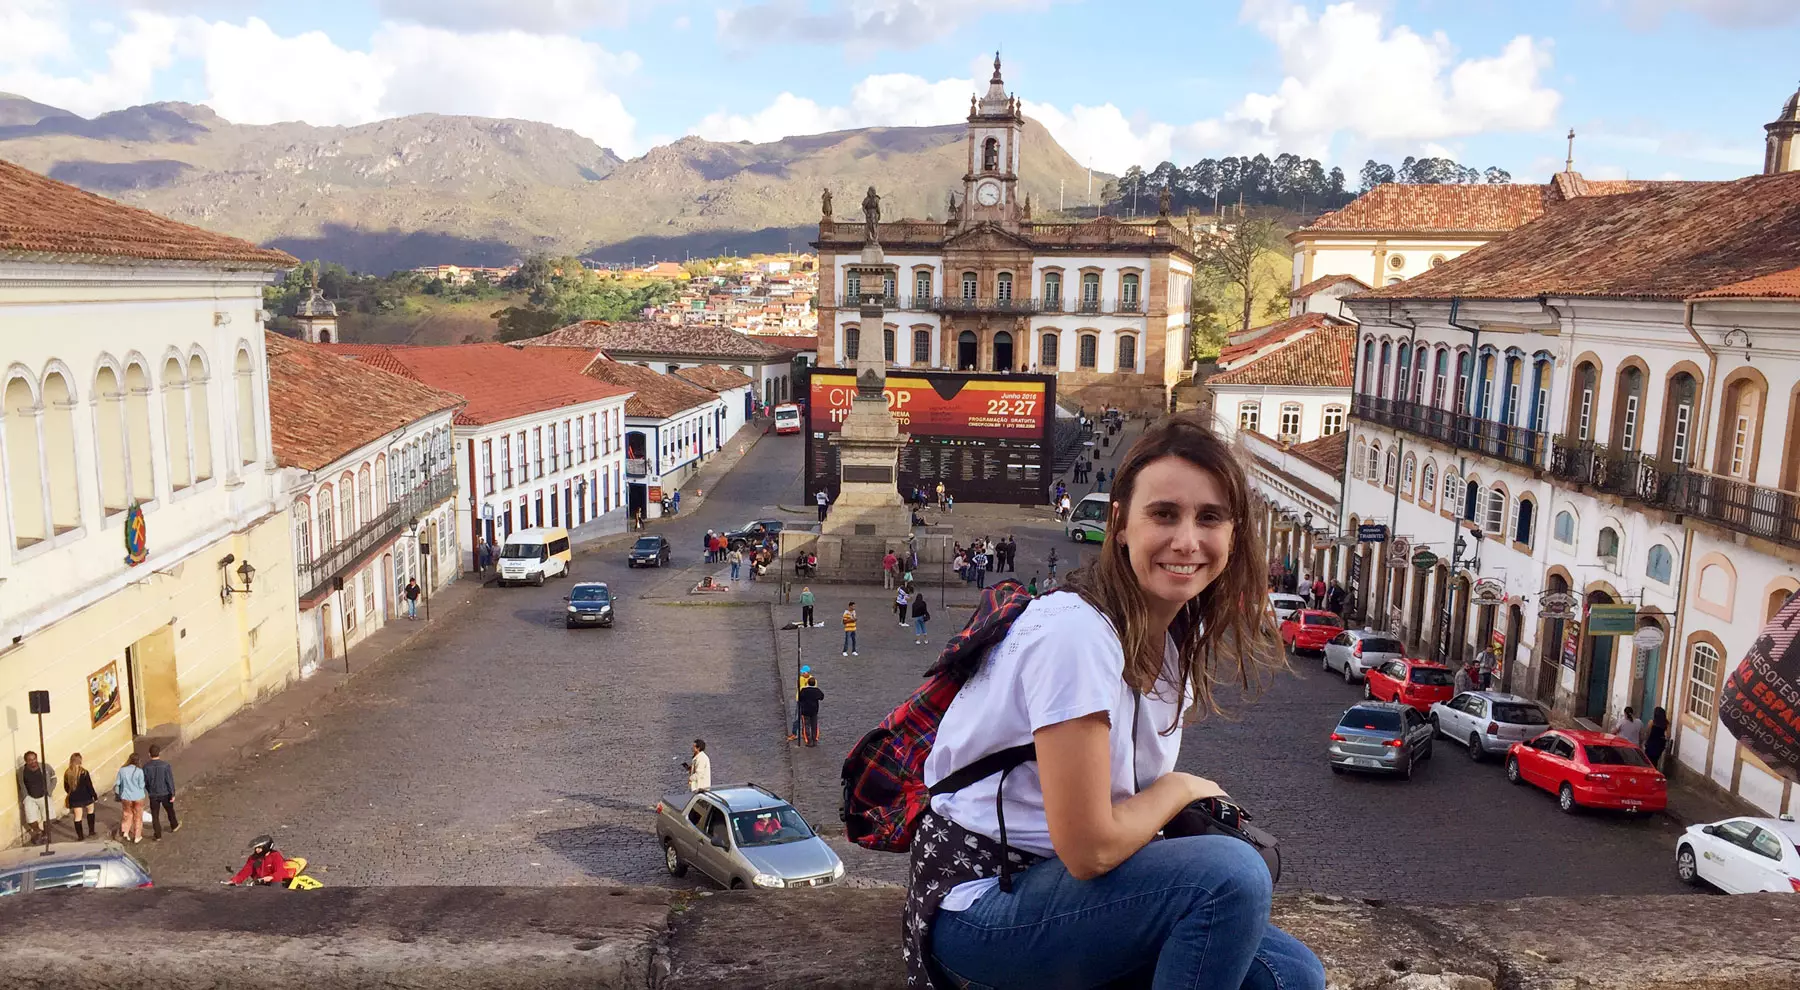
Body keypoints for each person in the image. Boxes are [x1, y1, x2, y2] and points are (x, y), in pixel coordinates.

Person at [912, 411, 1321, 990]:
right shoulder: (1075, 635)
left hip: (1069, 897)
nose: (1187, 540)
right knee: (1231, 877)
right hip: (981, 905)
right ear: (1121, 523)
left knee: (1291, 975)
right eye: (1164, 514)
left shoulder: (1165, 643)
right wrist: (1180, 788)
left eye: (1210, 517)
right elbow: (1089, 848)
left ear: (1234, 534)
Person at [226, 834, 296, 887]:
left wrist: (271, 877)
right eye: (256, 848)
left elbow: (279, 871)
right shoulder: (253, 858)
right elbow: (245, 871)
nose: (257, 850)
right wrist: (234, 881)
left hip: (274, 882)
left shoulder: (275, 856)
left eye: (259, 848)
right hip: (259, 883)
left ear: (266, 847)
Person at [18, 751, 57, 843]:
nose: (33, 762)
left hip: (44, 795)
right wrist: (25, 796)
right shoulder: (21, 771)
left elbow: (54, 778)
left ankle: (46, 835)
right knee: (30, 818)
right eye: (30, 760)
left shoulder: (45, 767)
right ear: (26, 761)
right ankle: (38, 831)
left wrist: (49, 791)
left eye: (34, 759)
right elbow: (21, 784)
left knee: (48, 817)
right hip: (30, 797)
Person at [144, 744, 179, 840]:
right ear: (159, 753)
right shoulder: (165, 765)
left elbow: (145, 782)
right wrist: (172, 793)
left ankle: (158, 835)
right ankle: (174, 825)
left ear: (149, 754)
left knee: (155, 815)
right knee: (170, 810)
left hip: (153, 794)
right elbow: (169, 780)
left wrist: (149, 790)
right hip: (165, 793)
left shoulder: (146, 767)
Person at [63, 753, 97, 840]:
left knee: (77, 817)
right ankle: (91, 831)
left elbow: (66, 787)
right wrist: (94, 795)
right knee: (90, 812)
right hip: (86, 796)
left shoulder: (67, 773)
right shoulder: (84, 772)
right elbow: (89, 785)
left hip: (75, 798)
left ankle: (80, 837)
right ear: (80, 760)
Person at [115, 752, 147, 844]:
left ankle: (125, 831)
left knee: (127, 814)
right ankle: (137, 836)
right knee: (138, 816)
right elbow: (141, 785)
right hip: (138, 796)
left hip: (126, 796)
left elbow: (117, 783)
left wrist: (117, 794)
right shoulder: (139, 771)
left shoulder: (122, 770)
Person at [797, 676, 825, 747]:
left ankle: (808, 741)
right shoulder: (816, 691)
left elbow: (799, 698)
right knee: (814, 725)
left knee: (806, 725)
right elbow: (822, 697)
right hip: (814, 711)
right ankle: (814, 740)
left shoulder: (803, 690)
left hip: (805, 711)